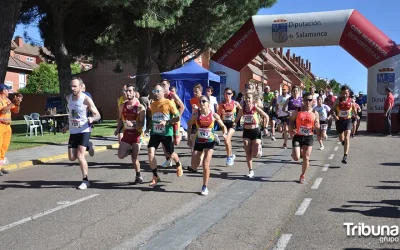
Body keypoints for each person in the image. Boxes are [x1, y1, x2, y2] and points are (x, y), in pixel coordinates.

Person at [62, 77, 101, 190]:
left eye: (74, 86)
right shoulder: (68, 98)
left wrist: (92, 119)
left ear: (80, 87)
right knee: (72, 157)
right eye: (71, 86)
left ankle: (85, 180)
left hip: (84, 130)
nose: (72, 88)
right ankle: (89, 145)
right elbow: (71, 115)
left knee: (80, 156)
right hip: (74, 131)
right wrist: (66, 126)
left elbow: (98, 115)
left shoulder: (86, 99)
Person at [187, 95, 227, 195]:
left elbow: (223, 126)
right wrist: (189, 139)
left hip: (209, 141)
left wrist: (225, 134)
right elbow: (189, 124)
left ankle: (204, 187)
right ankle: (199, 158)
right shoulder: (196, 115)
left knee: (205, 164)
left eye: (204, 101)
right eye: (200, 101)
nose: (201, 103)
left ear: (208, 103)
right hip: (199, 141)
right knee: (194, 166)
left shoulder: (213, 115)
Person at [147, 83, 182, 187]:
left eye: (158, 91)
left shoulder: (169, 103)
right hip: (155, 133)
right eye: (154, 92)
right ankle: (155, 176)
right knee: (150, 153)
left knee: (170, 154)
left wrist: (166, 122)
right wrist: (148, 128)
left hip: (167, 133)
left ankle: (178, 163)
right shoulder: (152, 104)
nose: (156, 94)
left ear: (163, 92)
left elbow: (177, 118)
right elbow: (152, 118)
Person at [235, 92, 269, 178]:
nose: (248, 99)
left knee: (255, 153)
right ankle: (250, 170)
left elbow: (266, 116)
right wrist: (232, 127)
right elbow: (236, 120)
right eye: (246, 98)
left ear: (253, 100)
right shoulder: (242, 110)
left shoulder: (255, 108)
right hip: (246, 131)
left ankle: (259, 147)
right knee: (247, 151)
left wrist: (265, 127)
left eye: (249, 98)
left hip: (255, 131)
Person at [117, 84, 145, 184]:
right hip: (127, 134)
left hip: (137, 135)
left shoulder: (140, 107)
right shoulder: (122, 106)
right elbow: (120, 119)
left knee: (135, 159)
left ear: (134, 93)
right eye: (126, 91)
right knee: (120, 155)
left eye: (130, 91)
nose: (127, 93)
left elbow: (142, 123)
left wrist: (133, 124)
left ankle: (138, 176)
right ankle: (129, 151)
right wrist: (118, 129)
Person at [289, 92, 320, 184]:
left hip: (308, 137)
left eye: (310, 100)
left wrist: (318, 130)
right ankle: (296, 153)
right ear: (303, 100)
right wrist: (292, 129)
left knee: (306, 157)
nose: (308, 102)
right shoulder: (298, 111)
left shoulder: (315, 112)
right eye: (306, 100)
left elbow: (317, 124)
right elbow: (291, 120)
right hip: (298, 136)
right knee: (296, 158)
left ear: (312, 101)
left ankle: (302, 176)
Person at [159, 80, 185, 168]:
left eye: (165, 85)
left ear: (169, 85)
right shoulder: (160, 95)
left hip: (174, 120)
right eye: (162, 85)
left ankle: (182, 132)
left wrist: (178, 116)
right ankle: (168, 160)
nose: (163, 87)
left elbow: (182, 106)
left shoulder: (172, 95)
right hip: (164, 121)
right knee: (164, 141)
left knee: (176, 142)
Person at [330, 85, 356, 164]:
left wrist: (356, 115)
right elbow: (332, 110)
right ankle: (343, 142)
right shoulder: (338, 100)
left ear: (348, 93)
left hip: (347, 120)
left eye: (346, 93)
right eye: (343, 93)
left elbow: (354, 110)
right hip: (339, 121)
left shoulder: (351, 101)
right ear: (341, 93)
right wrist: (334, 116)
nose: (344, 95)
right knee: (341, 138)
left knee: (347, 137)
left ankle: (345, 156)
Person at [0, 84, 22, 175]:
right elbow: (2, 111)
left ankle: (0, 167)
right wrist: (13, 102)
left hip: (8, 127)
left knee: (4, 147)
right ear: (3, 90)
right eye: (7, 89)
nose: (9, 91)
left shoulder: (8, 100)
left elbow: (16, 111)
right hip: (0, 126)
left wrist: (18, 103)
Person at [218, 87, 242, 166]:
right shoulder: (221, 104)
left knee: (227, 138)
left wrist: (237, 120)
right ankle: (231, 155)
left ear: (232, 94)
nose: (227, 95)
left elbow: (242, 110)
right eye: (225, 93)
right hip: (224, 125)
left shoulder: (235, 103)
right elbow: (218, 116)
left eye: (229, 93)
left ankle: (229, 157)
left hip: (232, 124)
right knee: (226, 141)